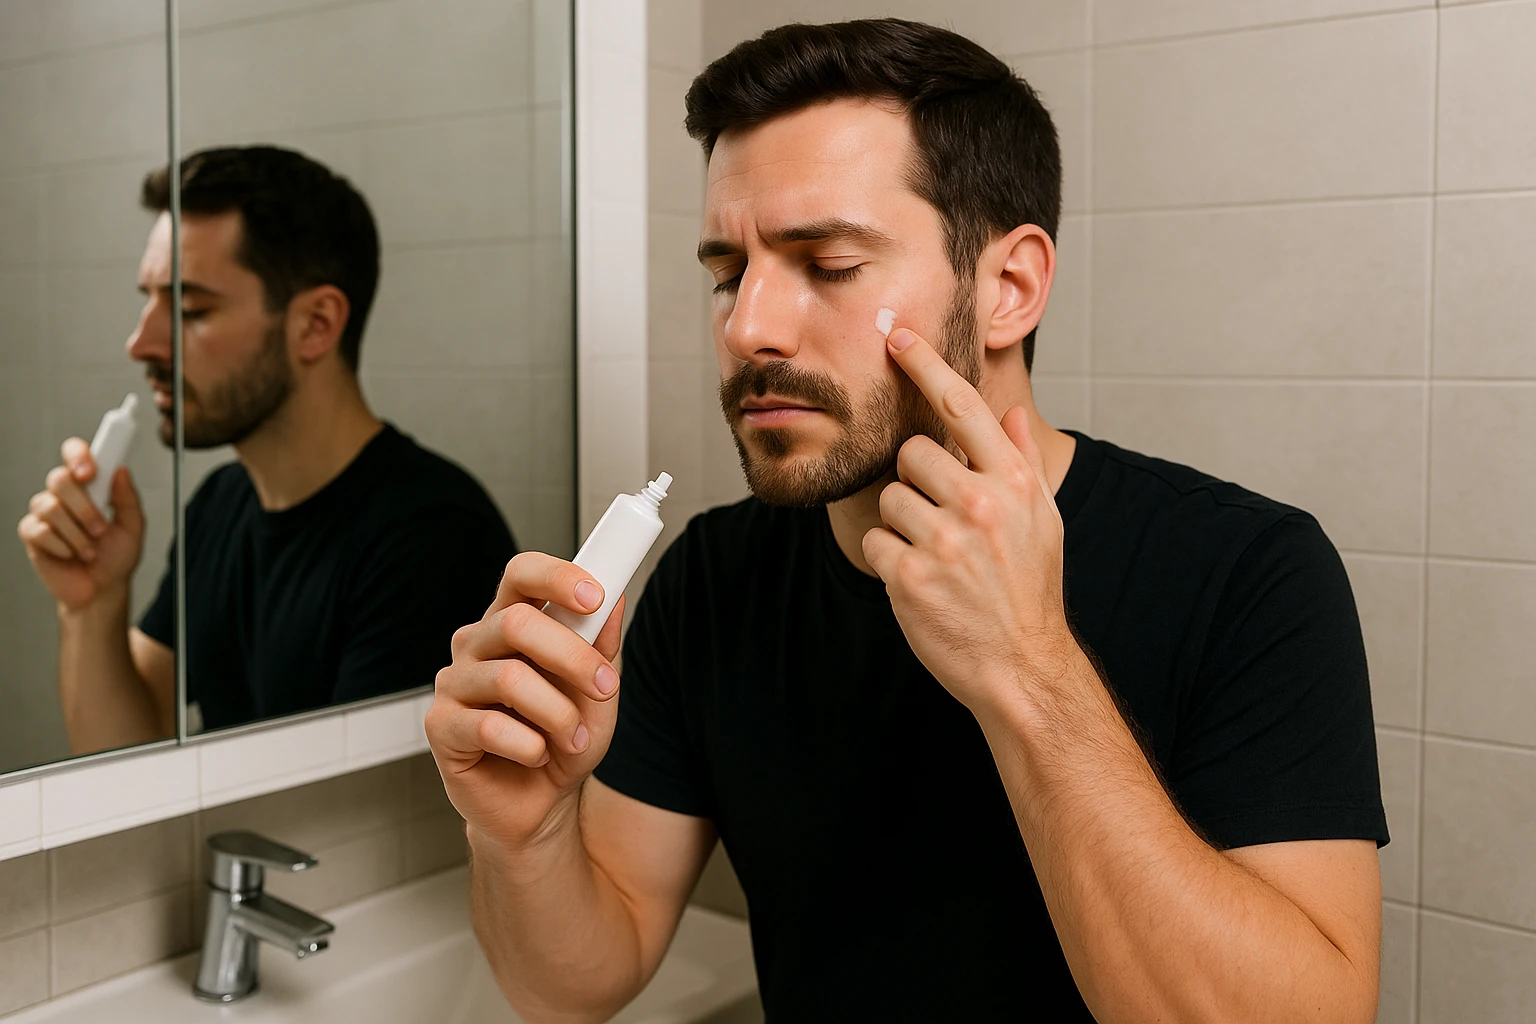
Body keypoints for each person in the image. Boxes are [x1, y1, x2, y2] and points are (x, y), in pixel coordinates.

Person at [427, 20, 1387, 1023]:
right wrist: (522, 837)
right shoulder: (714, 580)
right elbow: (569, 985)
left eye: (830, 264)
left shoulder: (1246, 573)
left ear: (1007, 287)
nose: (747, 326)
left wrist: (1031, 670)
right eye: (725, 272)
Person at [18, 146, 516, 754]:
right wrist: (92, 604)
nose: (141, 342)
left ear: (314, 324)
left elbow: (361, 818)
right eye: (148, 301)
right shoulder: (220, 505)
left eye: (190, 309)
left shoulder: (431, 539)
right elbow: (128, 757)